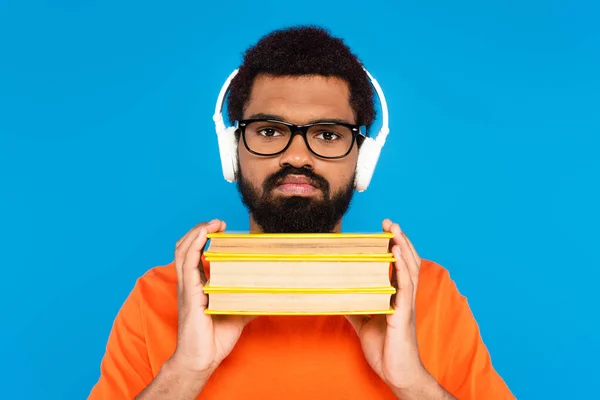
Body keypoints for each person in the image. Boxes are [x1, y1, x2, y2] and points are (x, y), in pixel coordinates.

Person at [88, 26, 515, 399]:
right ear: (231, 152)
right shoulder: (161, 296)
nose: (297, 156)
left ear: (363, 161)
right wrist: (186, 372)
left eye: (328, 134)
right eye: (270, 131)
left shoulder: (425, 293)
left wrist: (410, 382)